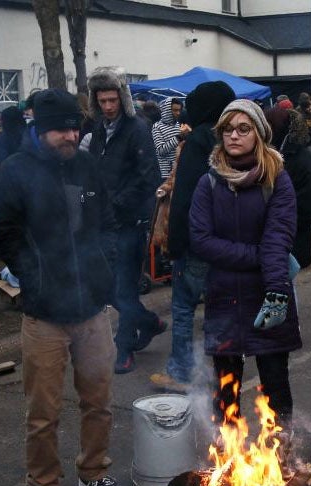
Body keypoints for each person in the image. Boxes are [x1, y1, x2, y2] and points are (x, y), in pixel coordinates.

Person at [0, 89, 125, 486]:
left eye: (75, 127)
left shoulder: (86, 165)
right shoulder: (15, 171)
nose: (71, 135)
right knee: (43, 410)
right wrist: (34, 276)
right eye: (62, 129)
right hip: (44, 312)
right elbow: (6, 232)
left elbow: (106, 221)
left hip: (91, 309)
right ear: (40, 129)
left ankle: (93, 471)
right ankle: (42, 485)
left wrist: (104, 268)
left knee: (98, 400)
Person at [188, 99, 301, 447]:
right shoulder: (208, 183)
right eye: (227, 129)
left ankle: (282, 456)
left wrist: (276, 287)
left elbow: (278, 237)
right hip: (224, 295)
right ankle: (228, 455)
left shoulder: (277, 181)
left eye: (243, 128)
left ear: (259, 134)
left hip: (270, 291)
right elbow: (201, 241)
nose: (234, 135)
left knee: (275, 383)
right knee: (225, 386)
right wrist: (256, 254)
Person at [150, 80, 236, 392]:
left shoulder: (196, 142)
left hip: (196, 242)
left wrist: (174, 244)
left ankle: (182, 371)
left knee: (184, 307)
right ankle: (223, 371)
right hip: (225, 242)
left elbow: (184, 198)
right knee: (219, 306)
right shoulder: (233, 138)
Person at [86, 66, 164, 374]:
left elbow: (150, 177)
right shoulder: (95, 129)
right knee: (106, 288)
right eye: (102, 100)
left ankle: (124, 346)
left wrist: (115, 204)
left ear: (122, 98)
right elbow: (90, 174)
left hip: (131, 221)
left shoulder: (137, 128)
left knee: (124, 289)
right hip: (102, 223)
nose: (107, 107)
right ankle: (150, 322)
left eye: (112, 100)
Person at [265, 106, 311, 269]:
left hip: (293, 234)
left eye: (268, 124)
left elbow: (308, 198)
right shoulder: (276, 152)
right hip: (281, 234)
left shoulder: (299, 156)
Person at [152, 97, 190, 179]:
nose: (178, 113)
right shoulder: (157, 127)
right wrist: (179, 137)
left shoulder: (178, 125)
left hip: (179, 170)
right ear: (167, 110)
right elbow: (161, 150)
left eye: (179, 110)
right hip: (165, 173)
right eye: (175, 110)